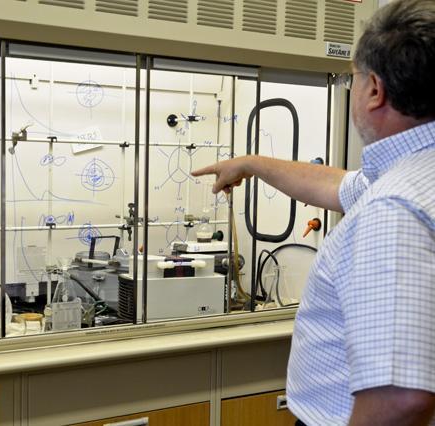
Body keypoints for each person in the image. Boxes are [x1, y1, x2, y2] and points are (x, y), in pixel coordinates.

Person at [192, 0, 435, 424]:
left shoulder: (392, 208)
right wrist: (250, 163)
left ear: (375, 90)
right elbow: (335, 185)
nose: (351, 89)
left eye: (351, 79)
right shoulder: (413, 175)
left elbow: (401, 399)